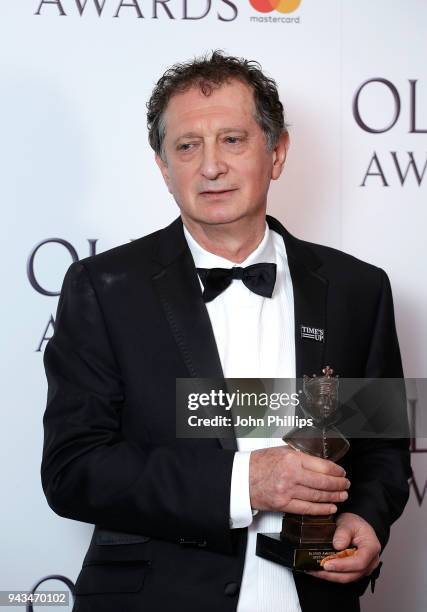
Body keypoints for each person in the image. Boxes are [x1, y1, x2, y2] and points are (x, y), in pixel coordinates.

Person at [41, 51, 411, 612]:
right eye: (187, 146)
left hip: (314, 596)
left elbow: (381, 449)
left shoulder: (357, 288)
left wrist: (365, 516)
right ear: (164, 167)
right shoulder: (103, 287)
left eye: (233, 140)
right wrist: (243, 483)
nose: (210, 166)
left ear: (277, 151)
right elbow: (74, 470)